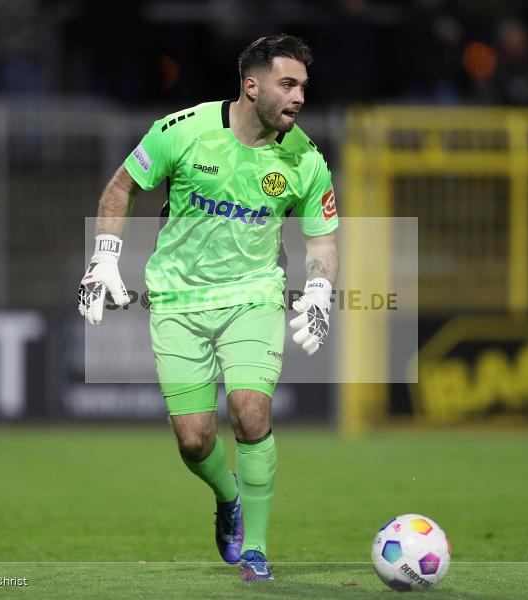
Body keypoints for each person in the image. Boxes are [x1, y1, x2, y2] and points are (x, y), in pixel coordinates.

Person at [77, 34, 339, 582]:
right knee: (195, 439)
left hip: (253, 297)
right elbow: (122, 187)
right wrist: (104, 259)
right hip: (177, 299)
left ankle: (257, 553)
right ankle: (229, 498)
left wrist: (318, 293)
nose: (298, 98)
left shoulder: (307, 161)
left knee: (249, 412)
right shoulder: (182, 131)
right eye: (287, 84)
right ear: (252, 85)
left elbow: (322, 241)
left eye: (303, 88)